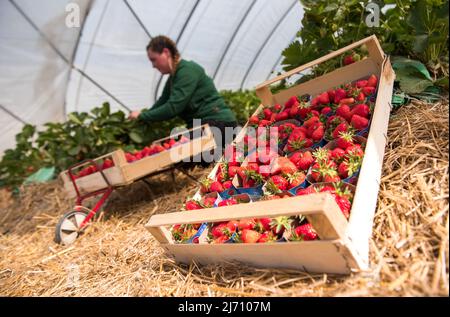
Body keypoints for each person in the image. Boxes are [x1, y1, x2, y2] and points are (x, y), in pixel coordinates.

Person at [129, 35, 238, 152]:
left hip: (218, 124)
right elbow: (163, 101)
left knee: (181, 155)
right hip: (203, 125)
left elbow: (172, 107)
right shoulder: (174, 76)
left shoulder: (186, 71)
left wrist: (142, 116)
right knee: (178, 153)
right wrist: (142, 116)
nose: (153, 65)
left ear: (166, 52)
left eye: (154, 59)